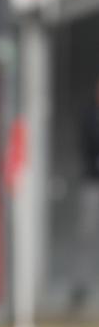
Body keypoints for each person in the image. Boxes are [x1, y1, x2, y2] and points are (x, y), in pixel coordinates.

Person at [72, 76, 99, 311]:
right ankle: (82, 289)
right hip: (93, 183)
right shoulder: (90, 115)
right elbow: (86, 145)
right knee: (87, 238)